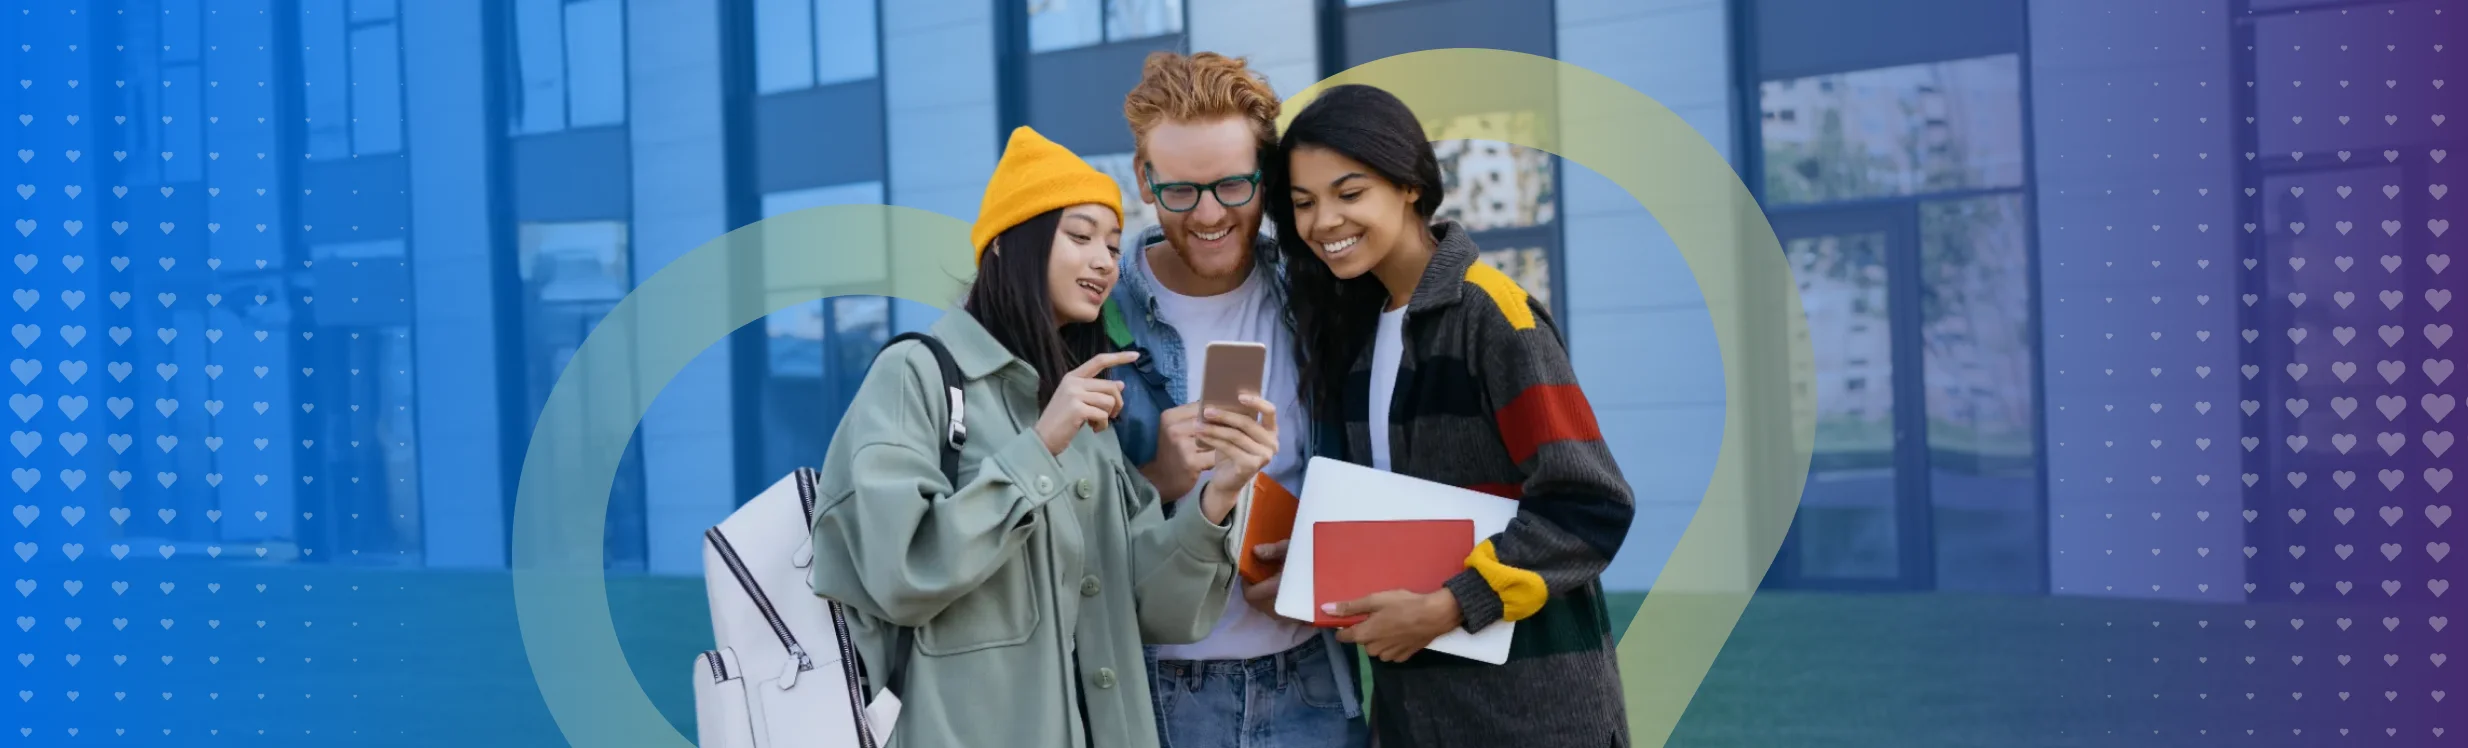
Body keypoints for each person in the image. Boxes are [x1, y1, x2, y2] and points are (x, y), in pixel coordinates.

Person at [807, 126, 1284, 748]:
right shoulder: (915, 376)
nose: (1103, 261)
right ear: (1007, 246)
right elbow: (899, 574)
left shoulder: (1079, 403)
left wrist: (1217, 496)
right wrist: (1039, 448)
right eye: (1080, 236)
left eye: (1112, 246)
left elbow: (1149, 605)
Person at [1263, 84, 1638, 747]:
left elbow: (1589, 506)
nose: (1324, 221)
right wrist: (1322, 564)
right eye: (1303, 203)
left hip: (1535, 717)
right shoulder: (1357, 338)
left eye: (1349, 194)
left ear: (1409, 184)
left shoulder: (1492, 315)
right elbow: (1408, 519)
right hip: (1418, 716)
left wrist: (1448, 606)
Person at [1103, 51, 1369, 748]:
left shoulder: (1325, 298)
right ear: (1143, 178)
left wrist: (1317, 563)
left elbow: (1388, 473)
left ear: (1267, 174)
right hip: (1155, 696)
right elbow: (1050, 530)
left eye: (1232, 186)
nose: (1210, 215)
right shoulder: (1089, 317)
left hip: (1312, 682)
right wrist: (1155, 478)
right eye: (1182, 192)